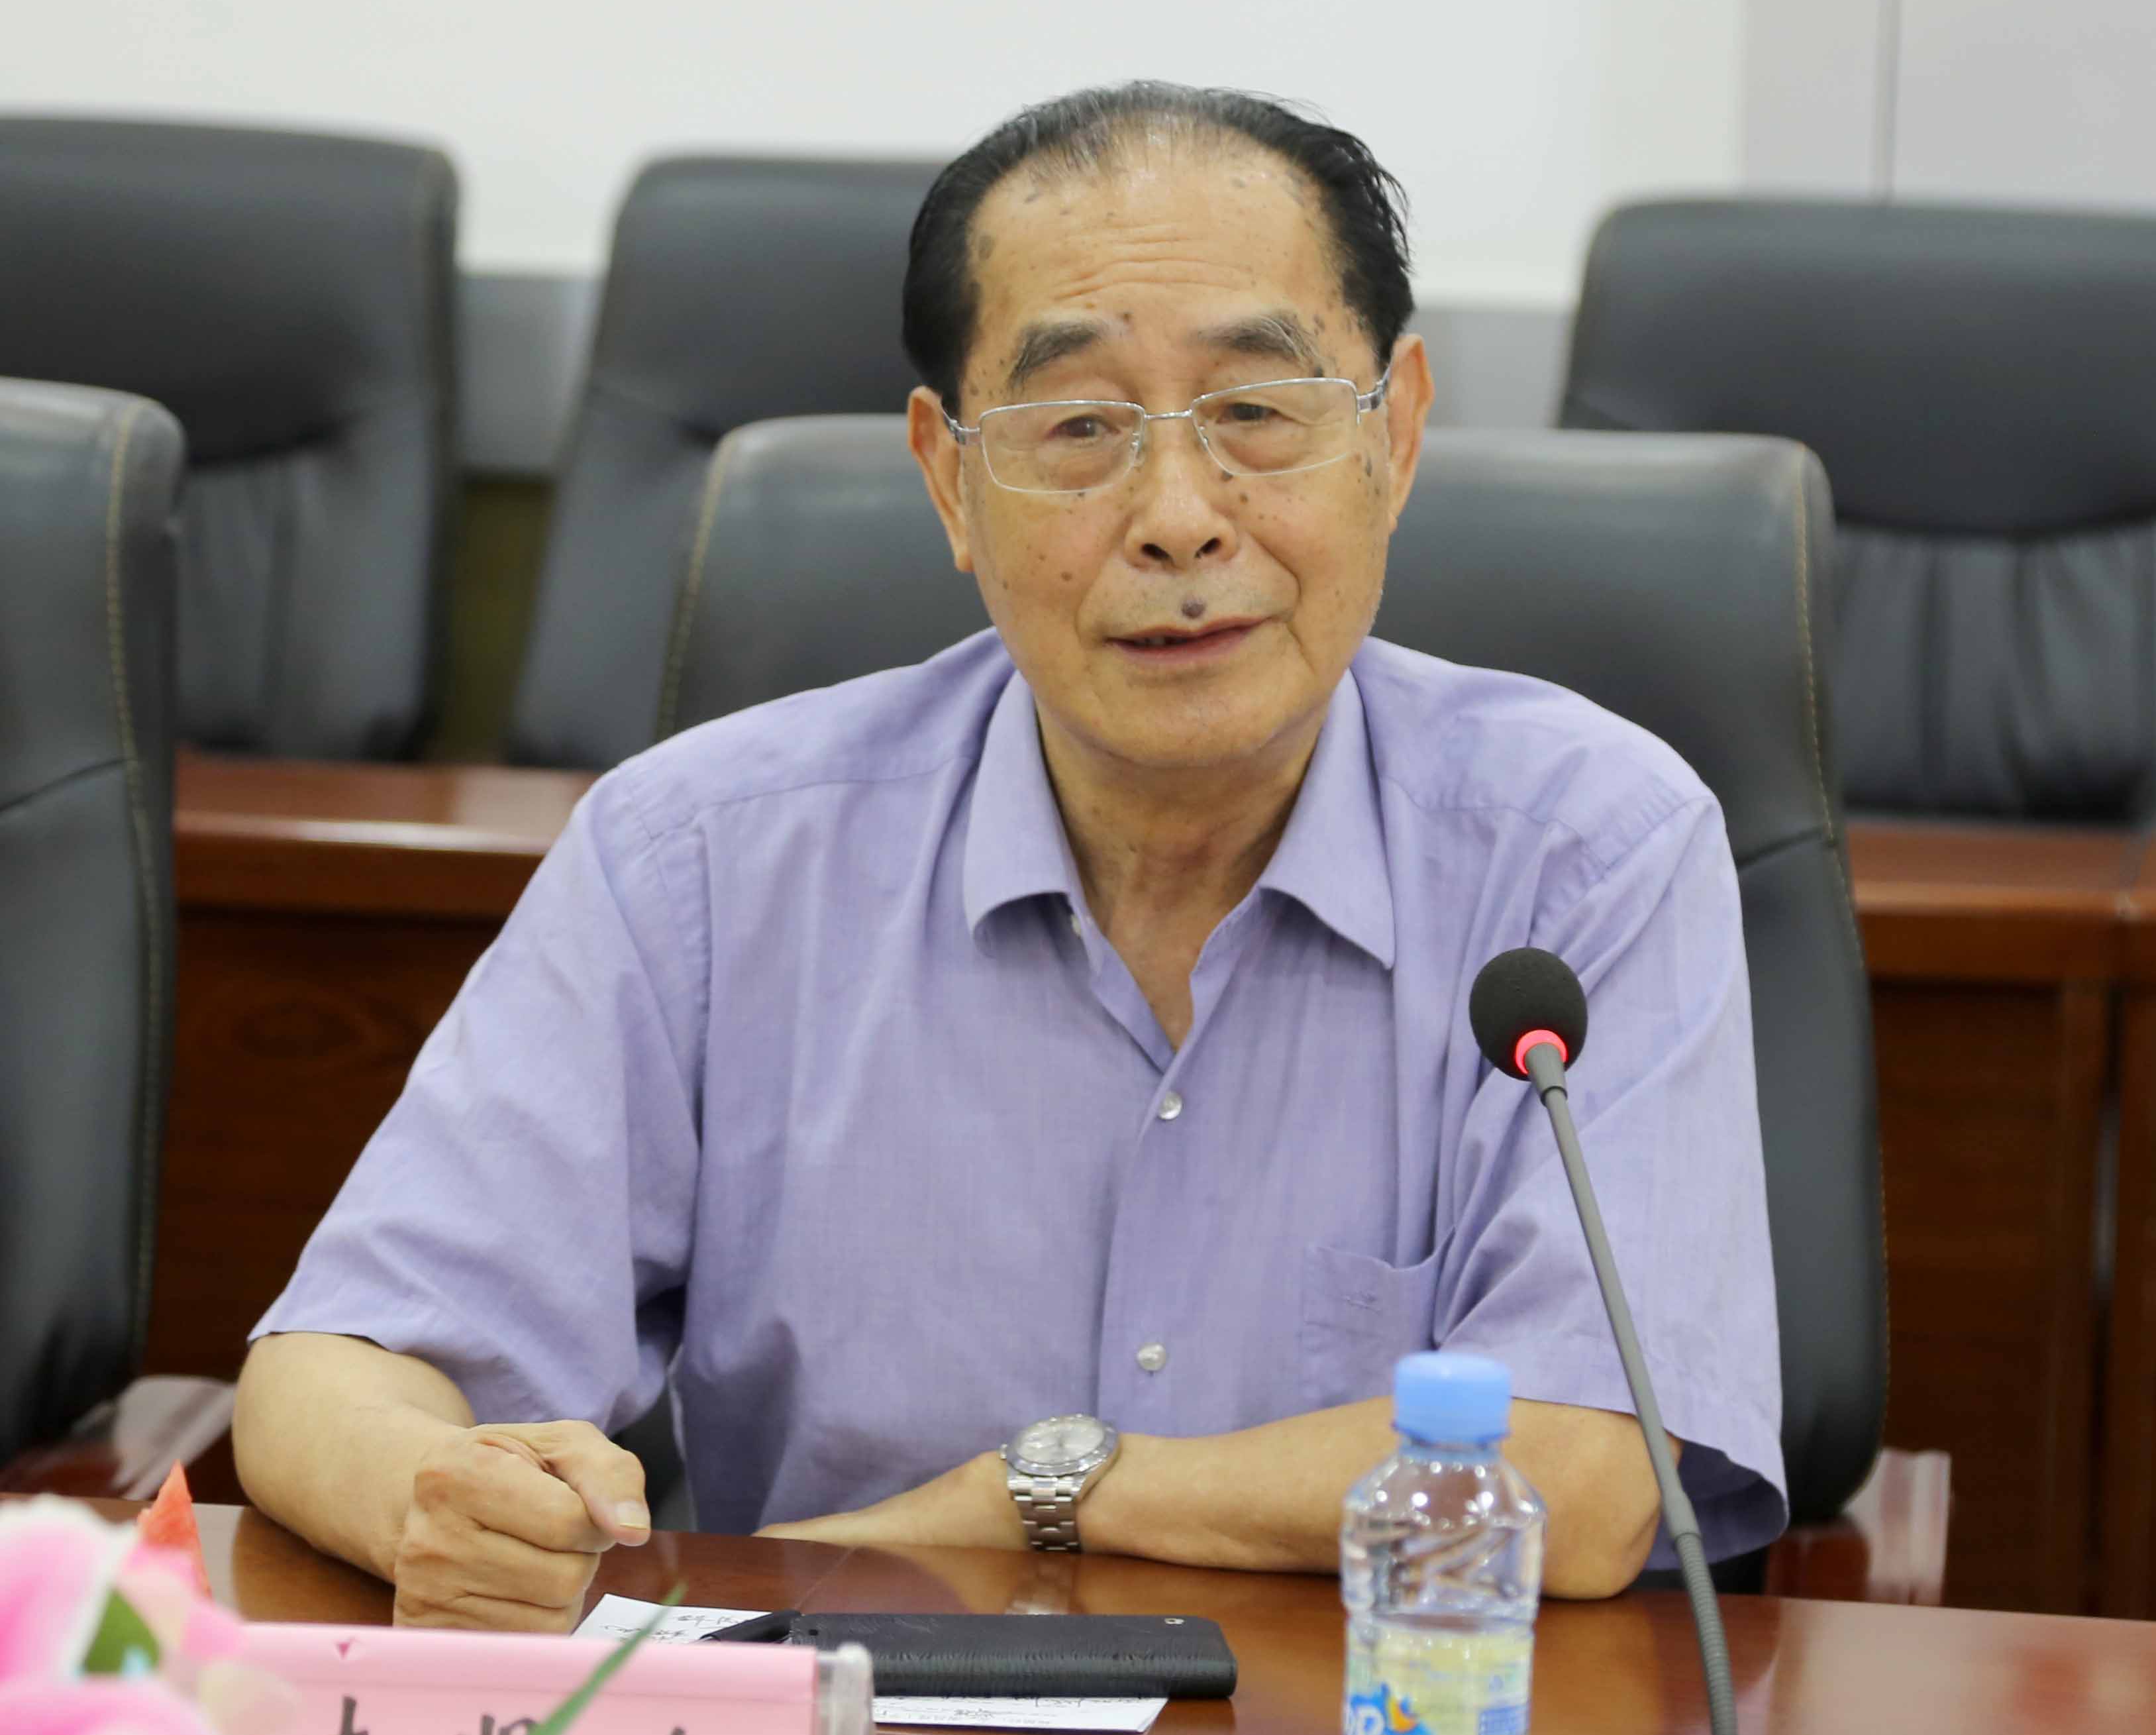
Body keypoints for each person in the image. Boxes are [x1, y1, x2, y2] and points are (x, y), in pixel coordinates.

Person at [235, 82, 1783, 1633]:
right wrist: (438, 1493)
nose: (1178, 518)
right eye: (1079, 427)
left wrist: (1038, 1497)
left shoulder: (1588, 854)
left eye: (1257, 409)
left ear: (1397, 432)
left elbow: (1588, 1471)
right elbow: (331, 1368)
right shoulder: (699, 861)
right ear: (948, 480)